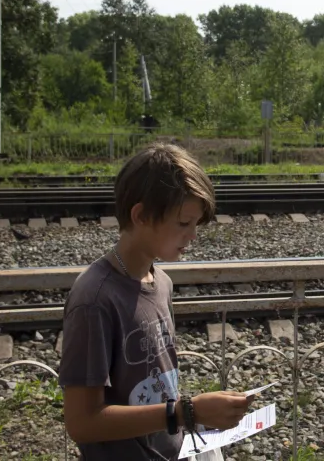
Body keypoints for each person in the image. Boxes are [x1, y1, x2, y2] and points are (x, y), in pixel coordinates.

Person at [58, 142, 254, 460]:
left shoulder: (160, 282)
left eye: (196, 224)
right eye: (183, 223)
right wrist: (184, 413)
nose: (192, 235)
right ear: (141, 216)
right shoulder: (95, 300)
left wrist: (188, 416)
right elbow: (82, 423)